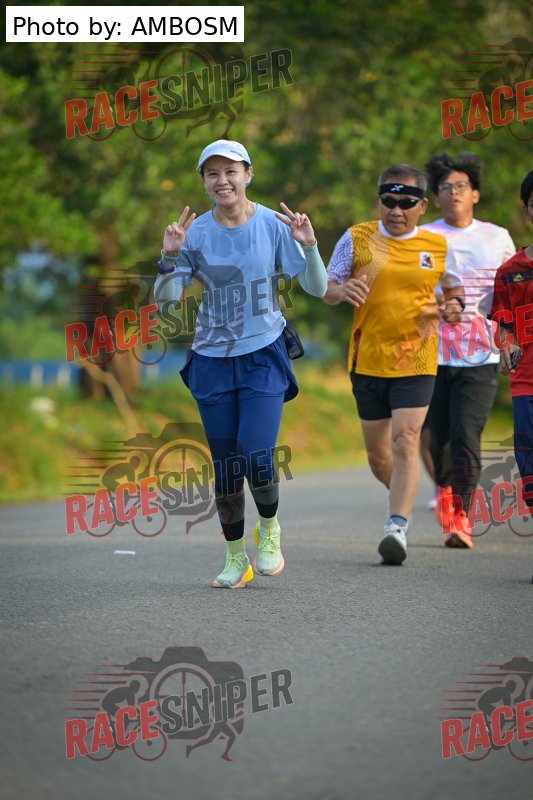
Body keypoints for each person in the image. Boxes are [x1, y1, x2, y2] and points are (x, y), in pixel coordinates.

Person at [155, 140, 327, 588]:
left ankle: (269, 529)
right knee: (227, 465)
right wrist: (170, 257)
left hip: (263, 353)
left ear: (248, 174)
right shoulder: (194, 233)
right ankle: (236, 558)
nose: (222, 181)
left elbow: (316, 286)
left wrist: (310, 246)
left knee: (255, 453)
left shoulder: (272, 224)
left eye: (231, 171)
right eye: (212, 173)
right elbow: (167, 303)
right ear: (204, 182)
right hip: (212, 359)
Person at [323, 164, 464, 565]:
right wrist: (341, 290)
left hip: (416, 358)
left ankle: (396, 526)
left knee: (406, 440)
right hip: (367, 358)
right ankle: (402, 494)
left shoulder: (437, 245)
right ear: (379, 201)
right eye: (388, 201)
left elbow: (453, 287)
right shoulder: (357, 238)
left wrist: (454, 306)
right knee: (379, 458)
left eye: (405, 203)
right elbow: (326, 288)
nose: (396, 210)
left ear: (422, 206)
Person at [421, 153, 516, 548]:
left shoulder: (497, 237)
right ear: (436, 197)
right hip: (430, 352)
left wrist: (510, 338)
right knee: (435, 438)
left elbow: (512, 292)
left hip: (481, 353)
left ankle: (461, 515)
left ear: (475, 194)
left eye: (461, 186)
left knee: (466, 432)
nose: (453, 192)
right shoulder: (423, 236)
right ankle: (444, 489)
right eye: (446, 187)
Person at [489, 170, 533, 526]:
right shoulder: (510, 270)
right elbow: (503, 324)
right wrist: (505, 344)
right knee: (528, 462)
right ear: (526, 210)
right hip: (526, 381)